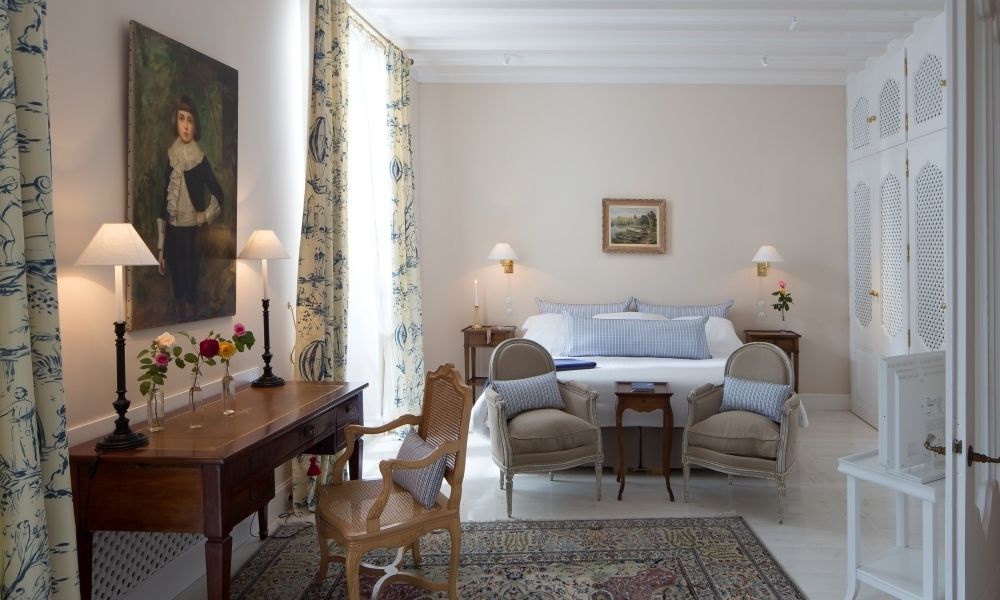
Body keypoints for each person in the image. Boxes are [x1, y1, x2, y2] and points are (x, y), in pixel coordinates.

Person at [156, 95, 223, 322]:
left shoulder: (200, 160)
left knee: (191, 284)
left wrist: (206, 214)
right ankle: (181, 322)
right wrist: (161, 249)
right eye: (181, 119)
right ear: (176, 122)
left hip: (194, 233)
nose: (185, 125)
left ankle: (192, 325)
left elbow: (219, 194)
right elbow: (164, 201)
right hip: (173, 233)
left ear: (195, 126)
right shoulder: (170, 157)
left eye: (190, 120)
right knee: (177, 284)